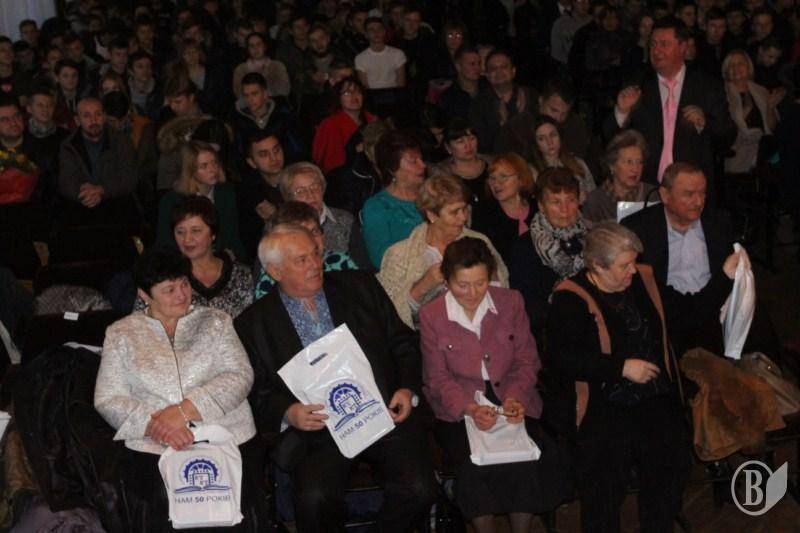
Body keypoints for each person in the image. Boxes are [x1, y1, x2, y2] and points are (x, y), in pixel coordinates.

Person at [233, 225, 437, 533]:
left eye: (316, 253)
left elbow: (403, 342)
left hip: (382, 411)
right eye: (301, 260)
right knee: (314, 499)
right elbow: (256, 390)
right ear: (275, 271)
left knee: (420, 488)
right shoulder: (254, 323)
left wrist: (407, 389)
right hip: (319, 430)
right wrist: (288, 411)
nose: (315, 264)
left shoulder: (360, 286)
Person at [95, 247, 267, 531]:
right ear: (144, 295)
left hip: (226, 434)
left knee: (232, 507)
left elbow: (240, 375)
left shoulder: (216, 321)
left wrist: (185, 410)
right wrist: (157, 425)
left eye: (185, 284)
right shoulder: (121, 333)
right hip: (154, 443)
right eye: (169, 289)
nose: (182, 295)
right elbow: (108, 398)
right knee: (161, 504)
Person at [545, 221, 690, 533]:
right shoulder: (571, 298)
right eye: (624, 265)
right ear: (598, 266)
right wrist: (620, 367)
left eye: (633, 262)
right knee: (605, 470)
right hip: (603, 398)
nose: (632, 271)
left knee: (671, 456)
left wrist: (725, 278)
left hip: (651, 393)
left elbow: (684, 313)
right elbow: (562, 359)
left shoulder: (642, 281)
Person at [419, 237, 569, 532]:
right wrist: (470, 408)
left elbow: (527, 360)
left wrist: (515, 398)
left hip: (510, 391)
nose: (473, 293)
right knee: (474, 466)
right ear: (447, 281)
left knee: (526, 459)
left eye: (480, 283)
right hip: (458, 402)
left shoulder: (510, 302)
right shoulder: (432, 315)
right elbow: (436, 378)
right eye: (462, 285)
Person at [621, 162, 742, 358]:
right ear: (665, 195)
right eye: (688, 194)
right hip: (666, 318)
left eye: (702, 193)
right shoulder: (638, 228)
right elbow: (642, 289)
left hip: (713, 311)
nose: (698, 201)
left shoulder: (718, 222)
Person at [604, 18, 735, 187]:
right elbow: (609, 138)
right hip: (645, 185)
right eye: (653, 44)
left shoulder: (707, 85)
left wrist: (705, 123)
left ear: (683, 47)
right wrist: (621, 112)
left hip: (691, 187)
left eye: (664, 44)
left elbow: (728, 136)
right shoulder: (637, 82)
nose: (656, 51)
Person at [377, 174, 508, 329]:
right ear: (431, 215)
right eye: (454, 212)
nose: (463, 218)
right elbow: (388, 317)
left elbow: (502, 294)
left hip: (484, 329)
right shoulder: (400, 255)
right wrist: (423, 286)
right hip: (423, 337)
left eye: (464, 209)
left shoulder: (479, 241)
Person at [137, 197, 253, 317]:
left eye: (196, 231)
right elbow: (138, 321)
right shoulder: (159, 275)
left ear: (213, 234)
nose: (187, 239)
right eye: (180, 232)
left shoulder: (241, 275)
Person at [508, 169, 589, 337]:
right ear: (541, 206)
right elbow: (528, 306)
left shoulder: (591, 239)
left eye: (571, 200)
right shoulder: (524, 247)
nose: (565, 209)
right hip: (550, 333)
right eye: (556, 202)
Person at [157, 140, 245, 260]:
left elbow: (233, 236)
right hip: (184, 261)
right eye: (204, 166)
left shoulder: (226, 193)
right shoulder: (171, 201)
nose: (212, 170)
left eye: (215, 163)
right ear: (190, 170)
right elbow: (165, 244)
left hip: (222, 259)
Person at [253, 201, 358, 299]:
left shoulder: (341, 261)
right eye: (302, 234)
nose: (311, 239)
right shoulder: (274, 276)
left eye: (314, 231)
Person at [278, 161, 368, 267]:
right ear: (289, 198)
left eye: (314, 187)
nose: (310, 195)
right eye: (301, 191)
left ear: (323, 189)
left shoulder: (344, 219)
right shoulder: (281, 227)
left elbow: (363, 265)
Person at [58, 96, 137, 214]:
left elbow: (129, 178)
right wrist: (88, 195)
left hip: (117, 205)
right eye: (87, 116)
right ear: (77, 120)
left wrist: (101, 190)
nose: (93, 120)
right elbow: (66, 181)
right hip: (81, 206)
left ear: (104, 117)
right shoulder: (69, 145)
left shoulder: (122, 141)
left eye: (98, 114)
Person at [361, 130, 426, 268]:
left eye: (421, 159)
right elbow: (381, 259)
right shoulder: (377, 206)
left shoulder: (433, 194)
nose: (423, 165)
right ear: (392, 167)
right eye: (414, 161)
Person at [721, 49, 782, 175]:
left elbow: (772, 128)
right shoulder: (721, 93)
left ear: (749, 67)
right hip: (739, 150)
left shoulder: (761, 91)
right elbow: (723, 130)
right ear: (726, 71)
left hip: (765, 151)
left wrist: (770, 108)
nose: (736, 68)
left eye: (740, 63)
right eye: (731, 65)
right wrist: (745, 112)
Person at [471, 152, 536, 264]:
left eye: (503, 177)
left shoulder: (538, 207)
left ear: (521, 179)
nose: (496, 183)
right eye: (492, 178)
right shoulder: (483, 214)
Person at [583, 130, 656, 224]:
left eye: (639, 162)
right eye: (629, 162)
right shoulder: (595, 201)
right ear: (612, 165)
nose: (635, 169)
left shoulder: (653, 195)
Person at [469, 49, 535, 153]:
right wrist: (503, 124)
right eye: (493, 68)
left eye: (504, 67)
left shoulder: (529, 96)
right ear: (487, 75)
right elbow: (482, 144)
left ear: (513, 71)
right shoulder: (479, 104)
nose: (499, 72)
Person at [311, 76, 375, 174]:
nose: (354, 96)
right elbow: (327, 161)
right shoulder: (330, 124)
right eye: (347, 93)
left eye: (357, 92)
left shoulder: (372, 120)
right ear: (339, 98)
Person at [529, 115, 595, 201]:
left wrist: (587, 196)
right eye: (542, 138)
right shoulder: (532, 171)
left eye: (553, 135)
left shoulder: (578, 163)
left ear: (560, 136)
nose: (549, 142)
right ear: (536, 144)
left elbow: (594, 195)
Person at [432, 118, 490, 207]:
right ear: (448, 147)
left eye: (472, 139)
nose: (468, 145)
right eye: (460, 142)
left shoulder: (492, 164)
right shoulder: (442, 175)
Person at [232, 32, 291, 99]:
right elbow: (239, 94)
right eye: (251, 46)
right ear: (248, 49)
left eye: (258, 44)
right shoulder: (240, 70)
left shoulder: (278, 66)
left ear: (264, 46)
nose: (255, 48)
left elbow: (285, 90)